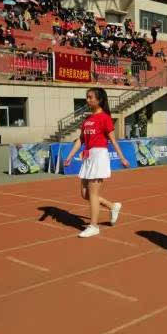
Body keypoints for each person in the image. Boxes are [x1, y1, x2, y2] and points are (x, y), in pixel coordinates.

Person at [63, 88, 128, 238]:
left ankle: (94, 226)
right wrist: (70, 156)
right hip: (88, 156)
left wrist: (122, 157)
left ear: (99, 100)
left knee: (93, 194)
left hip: (99, 155)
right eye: (86, 97)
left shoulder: (104, 118)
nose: (87, 100)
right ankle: (112, 206)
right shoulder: (87, 120)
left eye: (90, 97)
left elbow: (113, 139)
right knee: (85, 194)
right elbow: (81, 140)